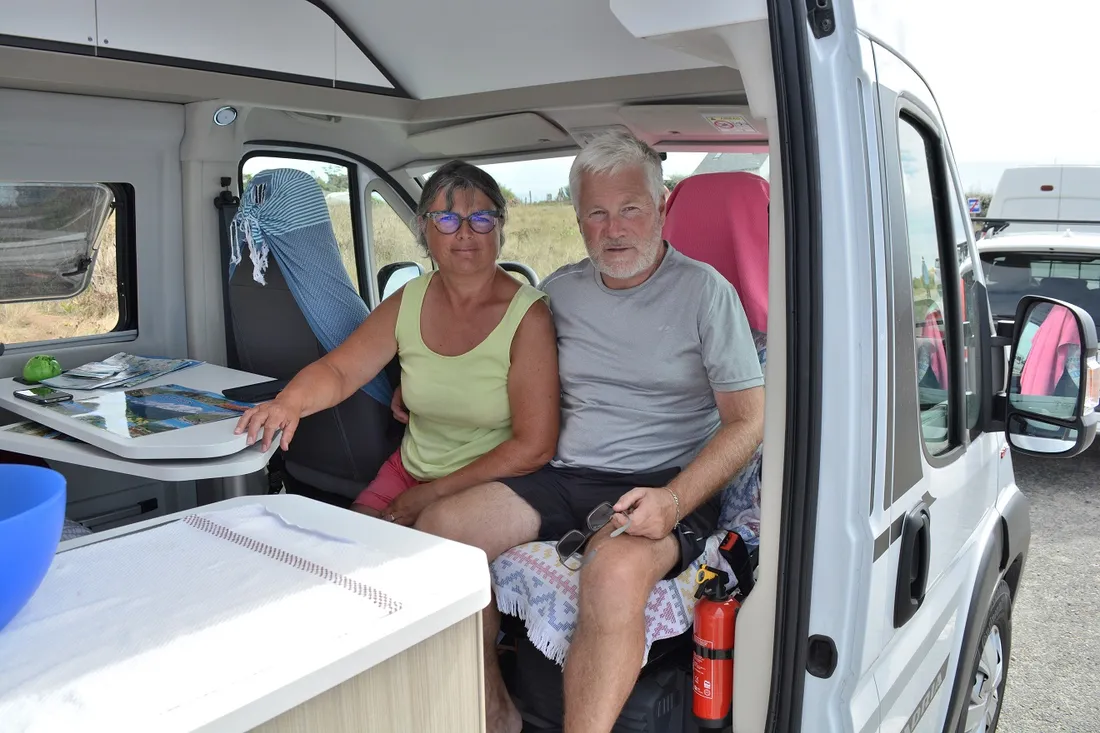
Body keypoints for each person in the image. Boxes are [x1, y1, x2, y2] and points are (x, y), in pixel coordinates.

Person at [415, 130, 766, 733]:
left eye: (630, 209)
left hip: (662, 485)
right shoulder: (559, 292)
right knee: (442, 533)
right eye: (596, 214)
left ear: (660, 206)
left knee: (612, 575)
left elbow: (748, 421)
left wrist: (675, 499)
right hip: (564, 477)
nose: (614, 229)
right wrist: (413, 389)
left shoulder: (706, 293)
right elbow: (504, 375)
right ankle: (496, 706)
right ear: (578, 220)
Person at [235, 161, 560, 526]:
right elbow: (340, 370)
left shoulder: (528, 317)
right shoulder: (409, 299)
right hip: (410, 468)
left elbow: (535, 446)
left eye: (481, 218)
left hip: (490, 481)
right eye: (446, 220)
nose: (465, 233)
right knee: (354, 545)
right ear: (423, 227)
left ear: (500, 227)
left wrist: (430, 494)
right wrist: (288, 404)